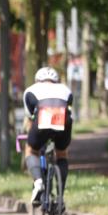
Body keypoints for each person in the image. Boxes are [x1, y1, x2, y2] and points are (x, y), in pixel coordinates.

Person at [23, 66, 74, 205]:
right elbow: (68, 107)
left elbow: (29, 118)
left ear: (37, 80)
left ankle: (38, 181)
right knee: (62, 154)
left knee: (31, 151)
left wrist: (29, 136)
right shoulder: (66, 89)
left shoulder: (30, 90)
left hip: (42, 118)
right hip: (63, 119)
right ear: (56, 80)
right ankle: (60, 196)